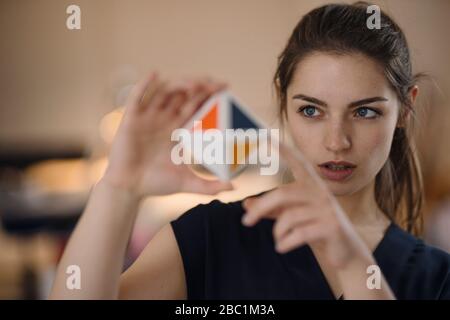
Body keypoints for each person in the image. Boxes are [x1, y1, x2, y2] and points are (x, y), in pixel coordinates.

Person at [49, 2, 450, 300]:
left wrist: (351, 262)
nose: (336, 141)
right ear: (284, 104)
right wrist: (119, 186)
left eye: (364, 112)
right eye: (311, 110)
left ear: (405, 109)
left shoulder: (437, 276)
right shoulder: (211, 237)